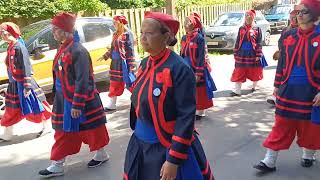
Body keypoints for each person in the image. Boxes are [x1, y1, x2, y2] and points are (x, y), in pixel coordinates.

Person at [123, 11, 214, 180]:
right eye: (141, 32)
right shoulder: (145, 63)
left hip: (166, 146)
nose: (142, 38)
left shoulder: (179, 68)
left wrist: (173, 160)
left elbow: (185, 117)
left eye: (149, 33)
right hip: (141, 144)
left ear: (167, 36)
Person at [39, 12, 110, 178]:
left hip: (78, 100)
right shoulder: (64, 48)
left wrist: (77, 104)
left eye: (56, 30)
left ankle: (101, 154)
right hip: (63, 99)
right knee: (63, 131)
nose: (53, 33)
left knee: (93, 129)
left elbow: (83, 79)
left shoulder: (78, 51)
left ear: (64, 31)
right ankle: (57, 163)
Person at [254, 0, 320, 173]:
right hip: (287, 91)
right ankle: (269, 160)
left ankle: (308, 155)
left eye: (303, 12)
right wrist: (277, 85)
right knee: (281, 125)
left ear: (314, 15)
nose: (299, 15)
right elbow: (282, 63)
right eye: (297, 11)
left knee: (310, 128)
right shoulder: (288, 36)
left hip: (311, 93)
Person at [0, 22, 51, 142]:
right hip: (14, 84)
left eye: (2, 33)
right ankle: (7, 133)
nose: (1, 35)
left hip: (24, 83)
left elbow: (26, 67)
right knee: (11, 108)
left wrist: (27, 86)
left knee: (38, 105)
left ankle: (47, 126)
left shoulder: (19, 47)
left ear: (8, 33)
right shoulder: (11, 46)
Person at [180, 14, 216, 120]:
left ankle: (200, 111)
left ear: (194, 24)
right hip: (186, 68)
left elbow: (201, 57)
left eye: (188, 22)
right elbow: (181, 53)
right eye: (185, 22)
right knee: (188, 89)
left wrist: (198, 73)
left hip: (196, 67)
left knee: (199, 90)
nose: (186, 24)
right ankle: (190, 109)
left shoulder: (199, 38)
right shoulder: (184, 38)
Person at [98, 15, 136, 111]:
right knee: (114, 82)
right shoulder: (115, 34)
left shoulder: (127, 34)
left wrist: (131, 64)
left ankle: (139, 98)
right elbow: (112, 48)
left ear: (120, 23)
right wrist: (104, 56)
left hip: (124, 62)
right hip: (115, 63)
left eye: (115, 23)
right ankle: (112, 104)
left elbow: (130, 50)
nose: (113, 25)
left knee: (130, 82)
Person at [230, 9, 267, 96]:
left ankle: (255, 86)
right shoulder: (241, 29)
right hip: (242, 53)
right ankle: (237, 90)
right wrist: (235, 52)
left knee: (255, 70)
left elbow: (259, 42)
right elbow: (238, 41)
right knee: (239, 70)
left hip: (253, 53)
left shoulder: (257, 29)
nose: (248, 17)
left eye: (250, 16)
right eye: (246, 16)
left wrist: (258, 54)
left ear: (253, 18)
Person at [267, 8, 299, 105]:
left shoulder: (301, 30)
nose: (293, 20)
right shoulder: (286, 29)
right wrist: (281, 51)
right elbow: (280, 41)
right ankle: (275, 97)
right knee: (281, 77)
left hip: (296, 58)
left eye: (295, 18)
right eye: (291, 18)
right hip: (285, 57)